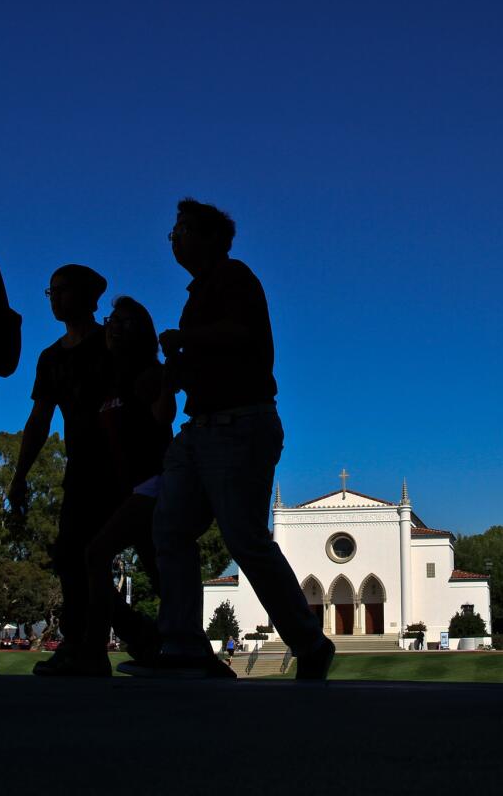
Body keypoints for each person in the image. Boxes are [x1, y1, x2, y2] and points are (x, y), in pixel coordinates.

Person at [119, 198, 334, 680]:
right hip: (201, 430)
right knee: (169, 530)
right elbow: (199, 362)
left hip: (241, 425)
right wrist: (162, 380)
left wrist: (184, 341)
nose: (174, 239)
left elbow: (240, 335)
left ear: (212, 239)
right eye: (172, 232)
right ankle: (184, 647)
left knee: (245, 538)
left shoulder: (236, 278)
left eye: (183, 230)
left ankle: (309, 643)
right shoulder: (197, 297)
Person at [8, 264, 118, 675]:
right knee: (73, 556)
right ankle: (80, 645)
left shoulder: (110, 345)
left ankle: (136, 641)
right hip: (81, 469)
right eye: (51, 291)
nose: (55, 298)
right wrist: (19, 476)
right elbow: (39, 419)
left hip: (120, 465)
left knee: (105, 555)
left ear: (90, 298)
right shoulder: (50, 358)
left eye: (63, 290)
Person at [67, 296, 174, 676]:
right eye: (112, 319)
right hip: (129, 488)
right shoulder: (108, 377)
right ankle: (162, 643)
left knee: (96, 556)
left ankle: (94, 654)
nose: (114, 326)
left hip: (156, 484)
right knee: (160, 574)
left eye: (126, 322)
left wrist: (169, 377)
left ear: (142, 332)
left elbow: (164, 417)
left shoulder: (147, 374)